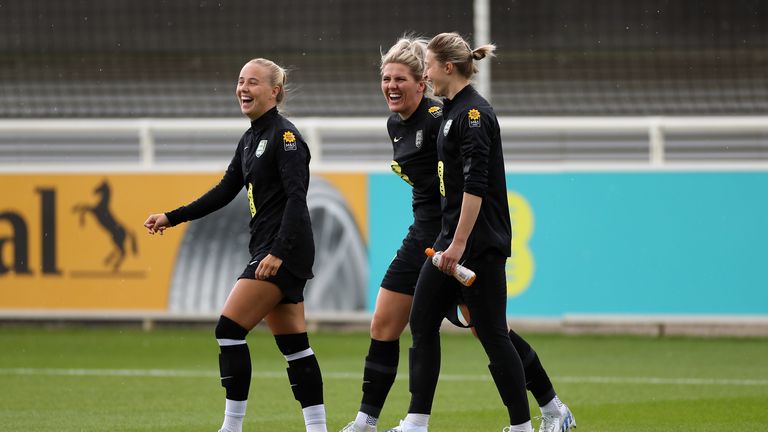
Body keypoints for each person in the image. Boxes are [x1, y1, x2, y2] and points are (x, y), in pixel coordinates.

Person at [343, 36, 575, 432]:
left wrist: (461, 240)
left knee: (489, 331)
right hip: (426, 235)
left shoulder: (445, 115)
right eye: (386, 79)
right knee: (386, 323)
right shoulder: (396, 124)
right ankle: (369, 420)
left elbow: (472, 178)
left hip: (456, 236)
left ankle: (550, 408)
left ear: (423, 81)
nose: (391, 87)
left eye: (401, 79)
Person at [143, 58, 327, 432]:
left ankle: (231, 427)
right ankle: (317, 428)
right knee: (295, 346)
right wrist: (171, 216)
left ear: (274, 92)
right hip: (272, 247)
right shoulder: (251, 138)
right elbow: (226, 190)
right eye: (240, 82)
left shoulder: (285, 137)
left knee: (228, 330)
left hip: (282, 250)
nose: (243, 88)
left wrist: (277, 251)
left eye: (253, 82)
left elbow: (297, 198)